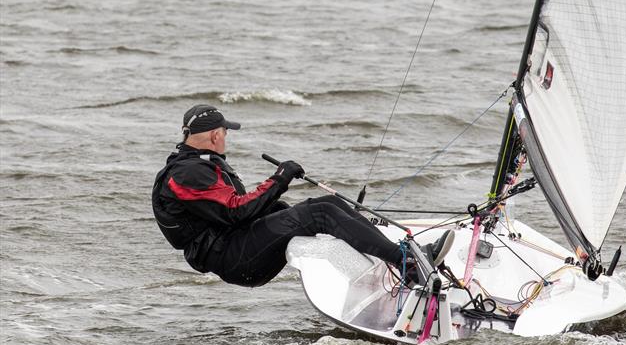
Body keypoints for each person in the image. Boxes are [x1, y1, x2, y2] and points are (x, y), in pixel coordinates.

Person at [152, 104, 454, 287]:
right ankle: (409, 265)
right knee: (319, 213)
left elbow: (233, 212)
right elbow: (235, 211)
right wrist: (280, 178)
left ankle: (381, 255)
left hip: (233, 248)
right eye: (226, 132)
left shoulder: (195, 165)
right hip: (233, 261)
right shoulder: (187, 174)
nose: (227, 137)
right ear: (216, 134)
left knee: (328, 204)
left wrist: (276, 190)